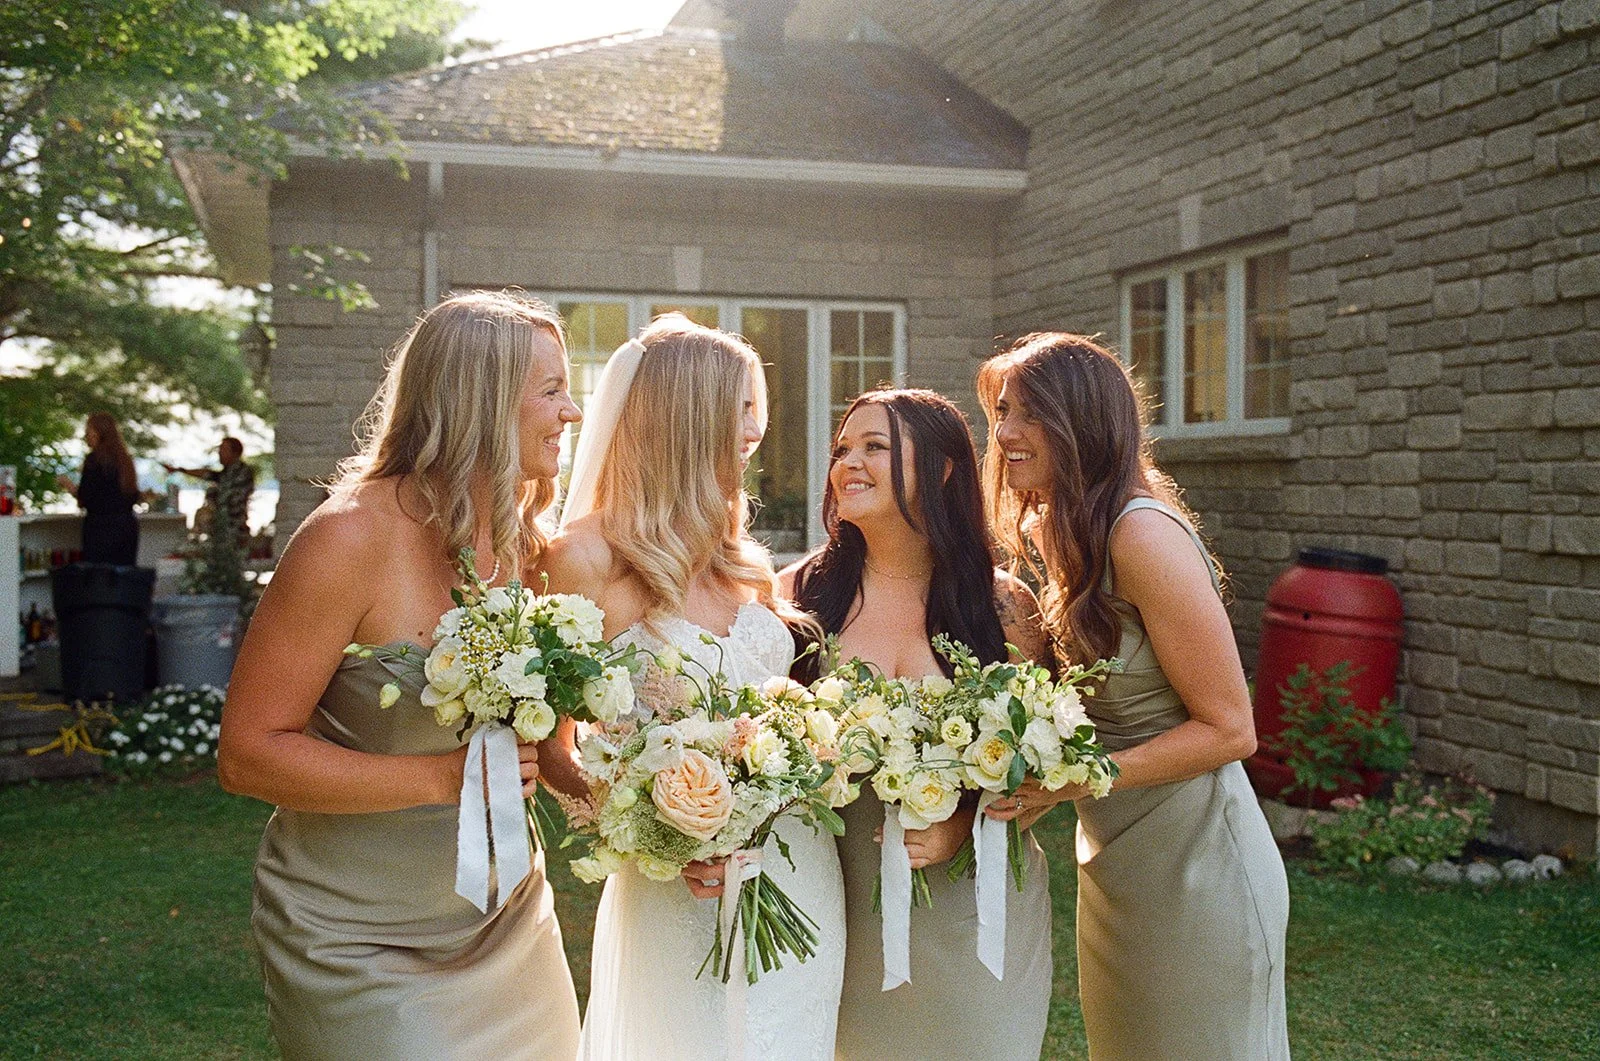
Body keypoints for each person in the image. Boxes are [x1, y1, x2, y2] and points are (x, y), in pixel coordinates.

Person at [216, 291, 584, 1060]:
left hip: (508, 919)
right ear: (480, 398)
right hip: (355, 936)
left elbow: (550, 746)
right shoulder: (347, 539)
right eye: (551, 390)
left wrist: (659, 802)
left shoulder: (532, 548)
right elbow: (248, 752)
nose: (571, 411)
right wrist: (444, 777)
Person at [538, 314, 845, 1061]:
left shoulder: (739, 556)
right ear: (686, 411)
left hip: (801, 871)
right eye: (741, 408)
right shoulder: (583, 558)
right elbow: (548, 747)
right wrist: (658, 830)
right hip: (679, 891)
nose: (755, 429)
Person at [977, 334, 1290, 1060]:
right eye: (1001, 411)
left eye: (1029, 414)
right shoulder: (1058, 528)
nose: (1006, 433)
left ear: (1083, 422)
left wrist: (1084, 776)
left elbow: (1231, 728)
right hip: (1117, 862)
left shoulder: (1140, 533)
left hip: (1198, 864)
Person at [782, 388, 1054, 1061]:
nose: (849, 461)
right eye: (843, 448)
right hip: (840, 907)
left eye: (875, 446)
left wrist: (965, 822)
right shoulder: (795, 598)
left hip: (973, 912)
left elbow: (1044, 763)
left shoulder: (1004, 605)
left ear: (940, 470)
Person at [57, 412, 139, 565]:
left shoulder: (94, 460)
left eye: (89, 431)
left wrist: (68, 485)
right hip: (127, 528)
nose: (86, 435)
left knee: (99, 578)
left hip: (101, 529)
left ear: (99, 433)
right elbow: (131, 494)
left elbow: (86, 498)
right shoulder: (125, 460)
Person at [164, 436, 255, 546]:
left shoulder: (242, 472)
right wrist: (180, 470)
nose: (220, 453)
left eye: (224, 449)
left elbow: (229, 497)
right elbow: (206, 474)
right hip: (221, 528)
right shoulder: (226, 473)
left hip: (234, 528)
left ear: (235, 453)